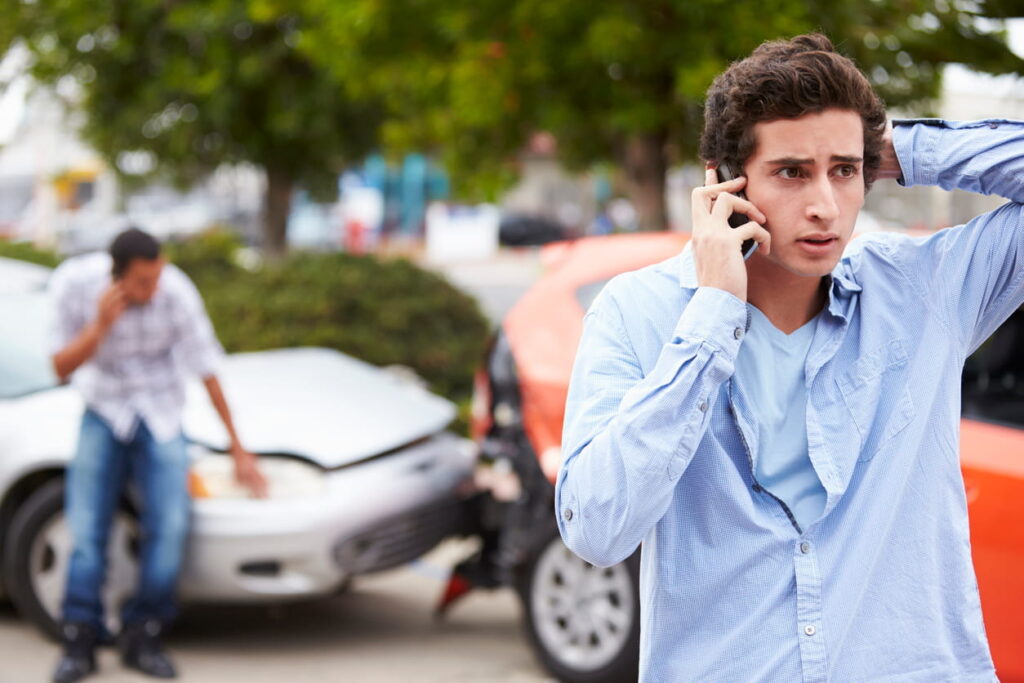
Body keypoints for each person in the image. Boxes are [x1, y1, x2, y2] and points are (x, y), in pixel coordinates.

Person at [556, 33, 1023, 681]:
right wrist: (712, 316)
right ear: (721, 183)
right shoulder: (639, 312)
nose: (825, 206)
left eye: (844, 172)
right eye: (791, 171)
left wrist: (897, 148)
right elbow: (597, 529)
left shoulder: (923, 290)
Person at [49, 228, 268, 682]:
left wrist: (238, 446)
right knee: (86, 529)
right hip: (103, 408)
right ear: (116, 277)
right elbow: (60, 367)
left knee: (169, 525)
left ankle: (143, 633)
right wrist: (100, 326)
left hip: (161, 411)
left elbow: (207, 365)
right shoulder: (74, 283)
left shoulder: (176, 291)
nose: (154, 289)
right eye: (142, 282)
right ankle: (80, 637)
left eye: (157, 277)